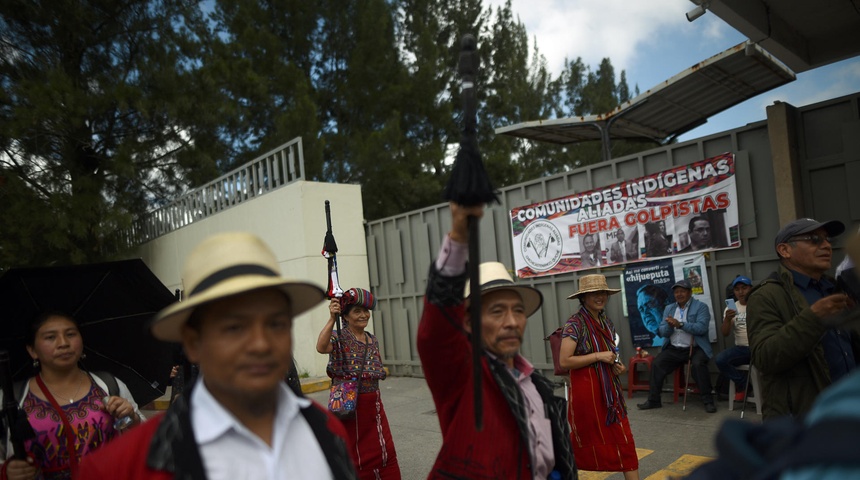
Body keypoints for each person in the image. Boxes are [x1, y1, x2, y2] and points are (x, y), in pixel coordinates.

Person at [77, 232, 357, 479]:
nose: (260, 344)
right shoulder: (119, 468)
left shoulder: (326, 430)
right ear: (193, 343)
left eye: (275, 324)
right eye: (234, 327)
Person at [417, 202, 576, 479]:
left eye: (518, 310)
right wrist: (459, 240)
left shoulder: (535, 382)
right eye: (497, 311)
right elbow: (436, 333)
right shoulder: (463, 376)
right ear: (468, 322)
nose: (512, 321)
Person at [0, 311, 143, 480]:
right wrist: (7, 472)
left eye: (70, 334)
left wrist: (132, 419)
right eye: (50, 337)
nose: (63, 343)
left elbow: (145, 440)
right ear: (32, 350)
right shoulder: (11, 398)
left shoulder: (109, 385)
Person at [747, 218, 860, 420]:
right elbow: (765, 358)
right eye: (814, 239)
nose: (826, 245)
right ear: (785, 250)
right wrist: (813, 318)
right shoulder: (766, 295)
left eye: (828, 240)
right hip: (805, 421)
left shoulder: (835, 288)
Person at [559, 275, 639, 480]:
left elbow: (610, 353)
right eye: (594, 293)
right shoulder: (574, 324)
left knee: (624, 441)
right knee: (584, 441)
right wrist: (598, 356)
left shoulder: (605, 321)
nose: (600, 297)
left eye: (602, 292)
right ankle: (556, 466)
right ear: (584, 297)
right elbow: (565, 361)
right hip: (588, 393)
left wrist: (616, 365)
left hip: (610, 394)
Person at [315, 288, 400, 479]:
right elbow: (321, 347)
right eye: (357, 312)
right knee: (352, 449)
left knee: (383, 446)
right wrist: (331, 318)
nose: (364, 315)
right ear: (344, 316)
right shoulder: (339, 337)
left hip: (374, 405)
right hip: (348, 405)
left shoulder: (372, 339)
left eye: (366, 311)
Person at [637, 279, 716, 413]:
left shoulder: (700, 307)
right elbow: (662, 331)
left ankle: (708, 400)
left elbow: (702, 328)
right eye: (676, 292)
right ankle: (653, 400)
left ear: (690, 292)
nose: (679, 294)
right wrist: (668, 326)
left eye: (682, 291)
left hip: (695, 348)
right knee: (657, 364)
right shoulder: (670, 308)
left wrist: (681, 324)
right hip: (674, 348)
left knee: (698, 365)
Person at [715, 276, 753, 402]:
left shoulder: (758, 303)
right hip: (741, 348)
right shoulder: (731, 308)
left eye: (744, 288)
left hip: (758, 346)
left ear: (750, 289)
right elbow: (725, 333)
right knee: (720, 359)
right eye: (737, 289)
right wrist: (727, 319)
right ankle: (744, 384)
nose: (741, 292)